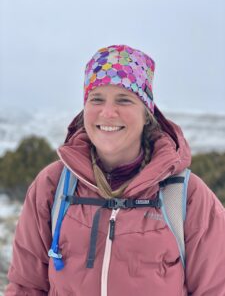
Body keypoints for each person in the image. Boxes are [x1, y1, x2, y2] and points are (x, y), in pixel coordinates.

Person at [5, 45, 225, 296]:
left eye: (124, 99)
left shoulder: (187, 196)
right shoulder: (53, 186)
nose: (108, 112)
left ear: (147, 114)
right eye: (96, 98)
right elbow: (26, 287)